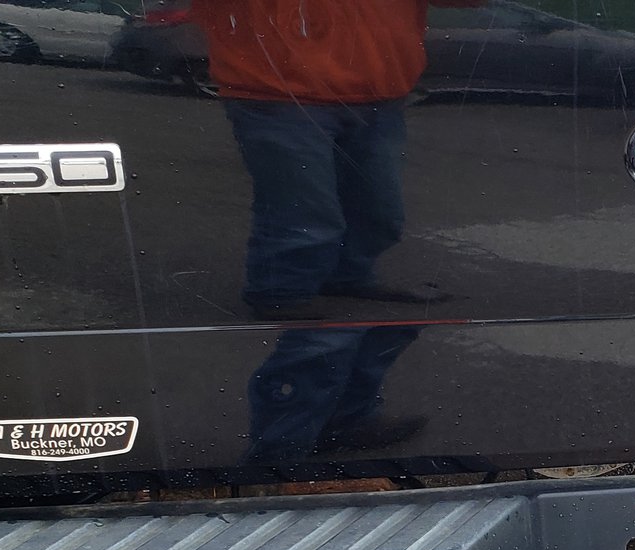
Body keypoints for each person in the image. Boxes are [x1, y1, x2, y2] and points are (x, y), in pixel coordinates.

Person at [194, 0, 464, 320]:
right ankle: (282, 293)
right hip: (278, 94)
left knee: (377, 210)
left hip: (380, 96)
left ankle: (345, 276)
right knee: (303, 211)